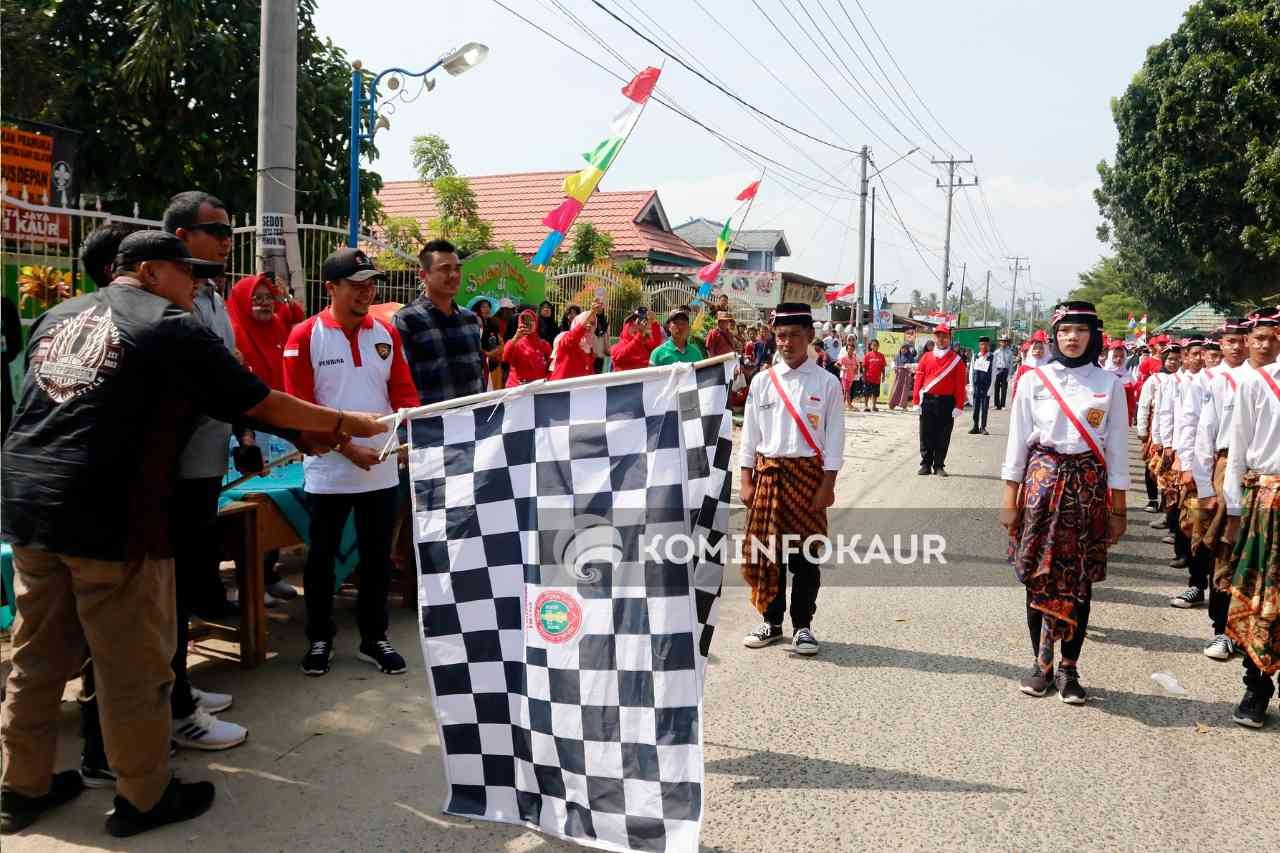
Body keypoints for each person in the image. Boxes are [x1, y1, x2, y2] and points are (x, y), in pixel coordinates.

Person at [0, 231, 386, 837]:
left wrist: (325, 436)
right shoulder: (169, 325)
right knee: (132, 666)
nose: (199, 286)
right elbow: (258, 402)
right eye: (190, 274)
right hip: (112, 517)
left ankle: (23, 788)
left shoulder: (61, 312)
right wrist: (342, 423)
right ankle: (144, 797)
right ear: (152, 272)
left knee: (36, 657)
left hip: (29, 506)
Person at [283, 247, 420, 678]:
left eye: (370, 284)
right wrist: (346, 447)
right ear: (331, 289)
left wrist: (411, 431)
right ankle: (319, 637)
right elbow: (299, 410)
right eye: (356, 285)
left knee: (378, 558)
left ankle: (373, 638)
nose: (366, 292)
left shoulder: (385, 333)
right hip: (329, 471)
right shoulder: (304, 336)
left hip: (380, 468)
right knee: (321, 559)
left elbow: (404, 392)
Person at [999, 300, 1128, 705]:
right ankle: (1041, 665)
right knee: (1038, 574)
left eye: (1081, 331)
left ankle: (1069, 668)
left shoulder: (1109, 385)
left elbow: (1119, 449)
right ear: (1054, 335)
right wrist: (1009, 496)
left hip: (1088, 490)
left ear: (1094, 336)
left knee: (1079, 583)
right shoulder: (1034, 380)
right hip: (1041, 488)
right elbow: (1018, 441)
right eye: (1065, 330)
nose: (1072, 338)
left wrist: (1118, 509)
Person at [163, 191, 253, 752]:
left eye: (228, 233)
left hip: (206, 463)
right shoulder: (167, 300)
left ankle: (178, 688)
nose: (225, 241)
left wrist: (244, 434)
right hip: (168, 471)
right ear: (180, 238)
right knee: (167, 592)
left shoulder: (212, 297)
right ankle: (173, 711)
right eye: (215, 231)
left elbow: (234, 373)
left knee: (191, 580)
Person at [740, 303, 843, 656]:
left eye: (794, 336)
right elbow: (749, 435)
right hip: (769, 476)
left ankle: (803, 626)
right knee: (769, 554)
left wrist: (828, 484)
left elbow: (835, 438)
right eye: (781, 336)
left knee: (806, 557)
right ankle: (771, 621)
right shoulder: (762, 381)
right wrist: (745, 479)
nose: (786, 343)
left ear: (810, 337)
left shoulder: (828, 384)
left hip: (809, 478)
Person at [226, 273, 303, 603]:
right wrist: (243, 433)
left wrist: (285, 299)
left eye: (268, 297)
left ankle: (268, 575)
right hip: (246, 429)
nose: (263, 303)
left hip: (279, 426)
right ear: (242, 301)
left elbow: (298, 316)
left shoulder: (278, 325)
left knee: (275, 506)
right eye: (256, 298)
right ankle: (248, 584)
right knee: (251, 507)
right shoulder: (233, 333)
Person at [1221, 308, 1280, 727]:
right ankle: (1257, 687)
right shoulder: (1257, 382)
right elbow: (1238, 450)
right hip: (1268, 503)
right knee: (1262, 594)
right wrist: (1234, 511)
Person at [1191, 321, 1255, 661]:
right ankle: (1222, 629)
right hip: (1228, 465)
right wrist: (1203, 484)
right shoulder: (1219, 382)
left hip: (1269, 473)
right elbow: (1204, 432)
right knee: (1225, 548)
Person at [394, 239, 484, 406]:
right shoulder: (406, 320)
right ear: (424, 275)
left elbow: (479, 376)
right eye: (445, 269)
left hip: (473, 424)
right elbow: (401, 382)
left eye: (457, 269)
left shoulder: (470, 319)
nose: (453, 275)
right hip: (431, 427)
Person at [912, 324, 967, 477]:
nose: (941, 339)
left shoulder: (956, 360)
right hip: (928, 400)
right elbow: (918, 379)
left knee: (943, 435)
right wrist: (916, 400)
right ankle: (925, 464)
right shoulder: (926, 357)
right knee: (926, 433)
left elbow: (960, 384)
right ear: (934, 338)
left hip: (947, 402)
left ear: (949, 338)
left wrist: (959, 405)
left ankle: (939, 465)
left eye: (944, 336)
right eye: (938, 336)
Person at [548, 300, 603, 380]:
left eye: (592, 323)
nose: (589, 325)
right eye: (587, 321)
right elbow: (575, 335)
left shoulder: (589, 346)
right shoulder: (565, 337)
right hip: (561, 388)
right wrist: (592, 312)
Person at [503, 307, 552, 385]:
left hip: (538, 389)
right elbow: (505, 358)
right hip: (517, 389)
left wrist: (546, 382)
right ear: (520, 323)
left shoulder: (544, 344)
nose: (528, 323)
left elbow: (551, 367)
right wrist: (516, 338)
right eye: (524, 321)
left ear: (536, 323)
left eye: (531, 320)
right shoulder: (515, 343)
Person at [473, 298, 504, 390]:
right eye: (483, 307)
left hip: (495, 364)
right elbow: (475, 346)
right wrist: (487, 354)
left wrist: (498, 350)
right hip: (482, 366)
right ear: (477, 309)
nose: (487, 309)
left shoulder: (493, 325)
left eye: (488, 307)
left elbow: (500, 342)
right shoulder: (475, 325)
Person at [1011, 330, 1047, 399]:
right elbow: (1016, 387)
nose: (1038, 351)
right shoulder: (1023, 368)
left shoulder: (1049, 368)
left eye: (1041, 348)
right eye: (1035, 348)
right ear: (1031, 350)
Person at [968, 336, 993, 434]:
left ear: (988, 346)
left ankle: (983, 427)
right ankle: (975, 426)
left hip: (986, 386)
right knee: (975, 407)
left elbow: (994, 372)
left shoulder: (991, 357)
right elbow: (971, 371)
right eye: (982, 344)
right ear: (979, 345)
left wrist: (991, 388)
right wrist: (971, 385)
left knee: (984, 407)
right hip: (976, 385)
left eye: (986, 344)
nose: (984, 346)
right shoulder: (976, 356)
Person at [887, 334, 918, 411]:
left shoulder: (910, 357)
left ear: (907, 349)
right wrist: (894, 366)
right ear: (900, 349)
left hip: (906, 376)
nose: (903, 350)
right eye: (902, 348)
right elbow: (893, 362)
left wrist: (909, 366)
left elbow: (913, 366)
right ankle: (892, 404)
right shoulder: (897, 356)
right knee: (896, 389)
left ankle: (903, 406)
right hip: (898, 376)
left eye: (905, 349)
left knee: (904, 390)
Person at [860, 338, 886, 412]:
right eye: (874, 345)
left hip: (877, 378)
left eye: (877, 345)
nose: (875, 346)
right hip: (868, 377)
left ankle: (874, 406)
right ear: (871, 346)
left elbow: (883, 367)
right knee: (866, 393)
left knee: (875, 393)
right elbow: (864, 367)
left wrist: (883, 376)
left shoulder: (881, 355)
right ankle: (866, 406)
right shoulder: (867, 355)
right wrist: (864, 376)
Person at [991, 335, 1013, 409]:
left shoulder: (1009, 352)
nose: (1003, 343)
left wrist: (1009, 374)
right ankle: (996, 404)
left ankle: (1003, 405)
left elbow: (1011, 364)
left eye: (1005, 341)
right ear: (1000, 342)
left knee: (1004, 388)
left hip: (1005, 370)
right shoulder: (996, 352)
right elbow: (993, 363)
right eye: (1002, 341)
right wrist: (993, 373)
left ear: (1007, 343)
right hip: (998, 370)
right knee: (996, 388)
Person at [837, 334, 859, 408]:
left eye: (853, 339)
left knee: (848, 390)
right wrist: (842, 368)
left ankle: (845, 404)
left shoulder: (855, 354)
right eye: (849, 339)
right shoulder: (843, 351)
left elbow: (857, 364)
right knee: (846, 391)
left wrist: (856, 371)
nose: (851, 341)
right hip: (844, 375)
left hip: (851, 376)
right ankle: (846, 404)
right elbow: (837, 363)